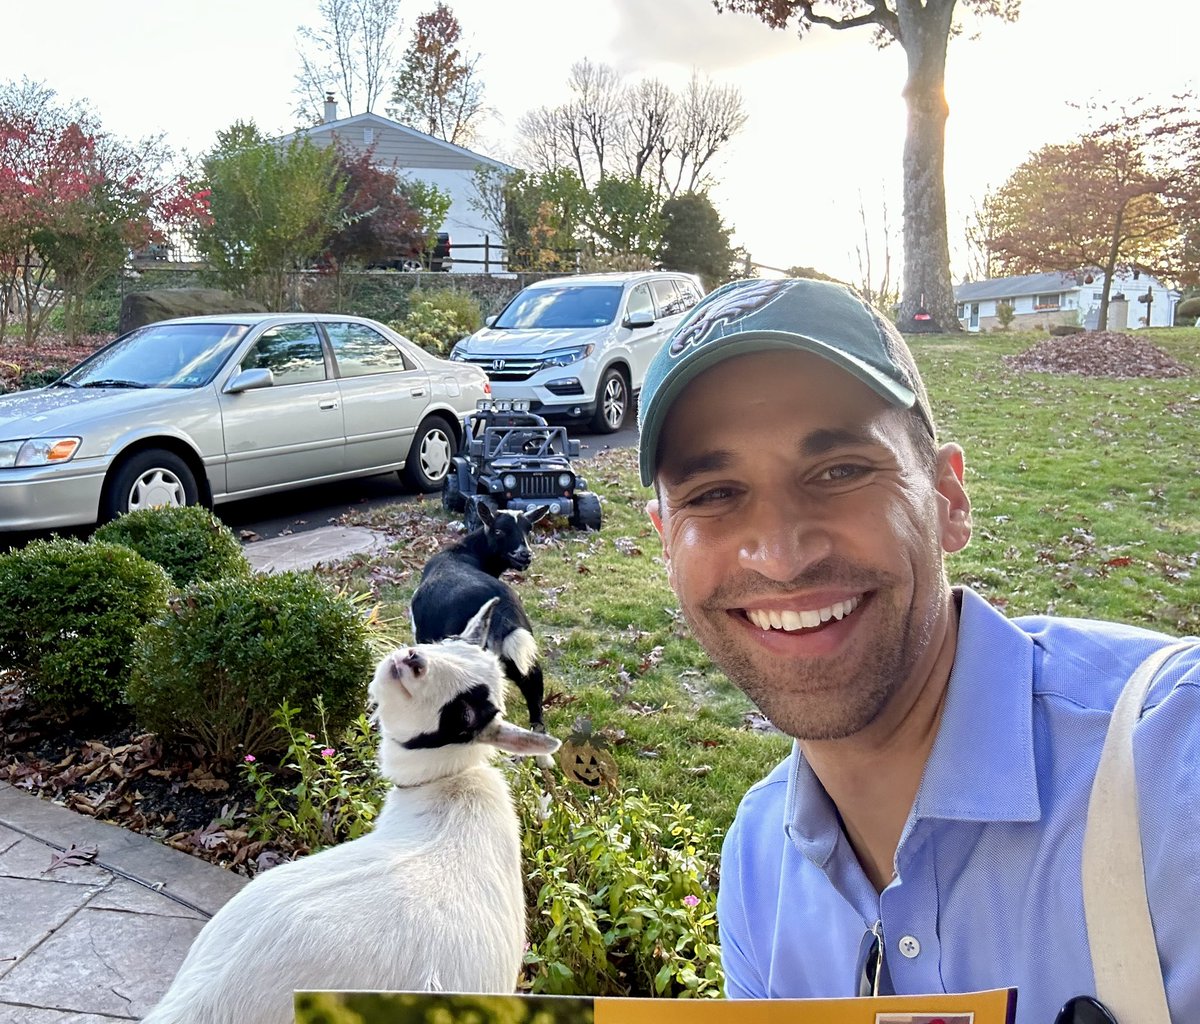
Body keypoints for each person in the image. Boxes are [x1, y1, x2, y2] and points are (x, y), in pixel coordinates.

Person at [635, 277, 1200, 1024]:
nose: (779, 555)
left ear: (948, 500)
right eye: (713, 494)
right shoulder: (758, 864)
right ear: (665, 541)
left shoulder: (1174, 772)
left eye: (839, 472)